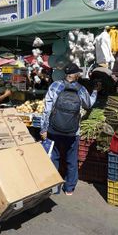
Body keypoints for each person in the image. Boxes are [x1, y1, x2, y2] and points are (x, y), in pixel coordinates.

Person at [40, 63, 101, 195]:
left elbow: (47, 109)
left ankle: (53, 188)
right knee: (71, 159)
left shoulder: (55, 85)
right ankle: (69, 189)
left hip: (53, 129)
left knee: (54, 157)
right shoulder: (81, 89)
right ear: (76, 75)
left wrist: (43, 129)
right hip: (72, 132)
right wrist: (95, 91)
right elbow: (89, 104)